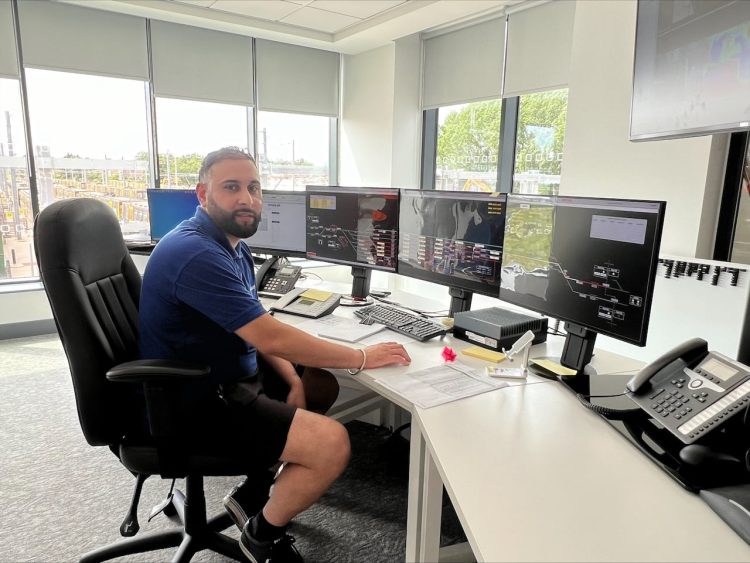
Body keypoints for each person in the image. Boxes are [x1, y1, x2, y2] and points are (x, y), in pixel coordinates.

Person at [138, 147, 411, 563]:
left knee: (319, 383)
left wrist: (294, 381)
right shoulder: (195, 253)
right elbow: (271, 335)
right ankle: (261, 535)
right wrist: (361, 356)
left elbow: (260, 324)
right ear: (202, 194)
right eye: (231, 187)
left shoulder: (233, 247)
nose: (246, 198)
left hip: (226, 377)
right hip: (197, 400)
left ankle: (252, 494)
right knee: (332, 444)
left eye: (253, 188)